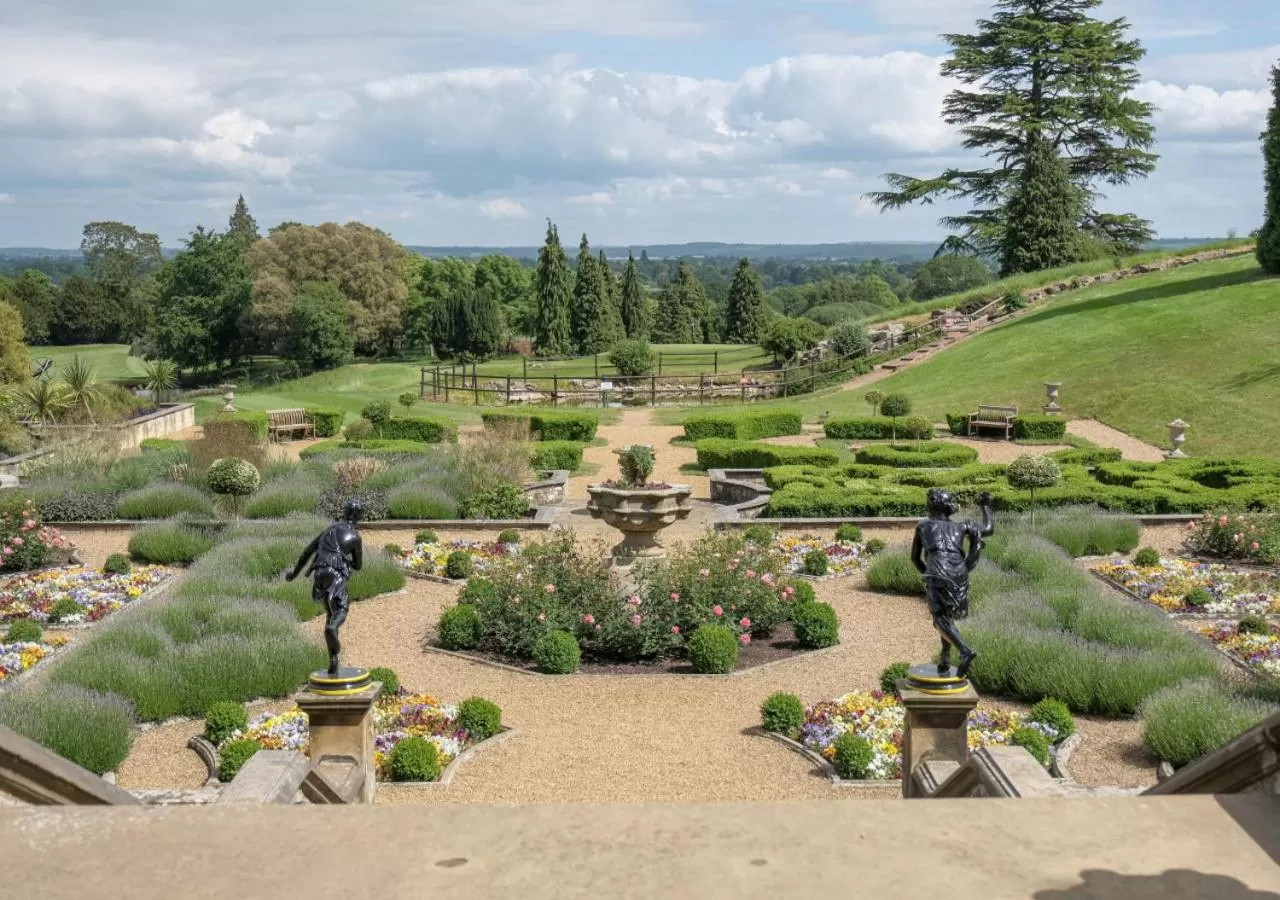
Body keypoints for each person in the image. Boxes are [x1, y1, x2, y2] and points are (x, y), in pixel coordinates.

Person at [910, 489, 994, 678]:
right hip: (959, 574)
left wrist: (928, 575)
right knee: (947, 618)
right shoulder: (961, 526)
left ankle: (964, 651)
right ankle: (945, 659)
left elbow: (915, 558)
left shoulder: (923, 526)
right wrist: (985, 506)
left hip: (938, 571)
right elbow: (988, 528)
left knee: (939, 619)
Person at [286, 500, 364, 675]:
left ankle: (333, 660)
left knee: (330, 614)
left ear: (344, 513)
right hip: (335, 573)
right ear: (359, 517)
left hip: (319, 572)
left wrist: (294, 574)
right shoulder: (355, 536)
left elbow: (307, 551)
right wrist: (347, 560)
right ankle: (332, 629)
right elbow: (358, 565)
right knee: (341, 610)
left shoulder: (329, 530)